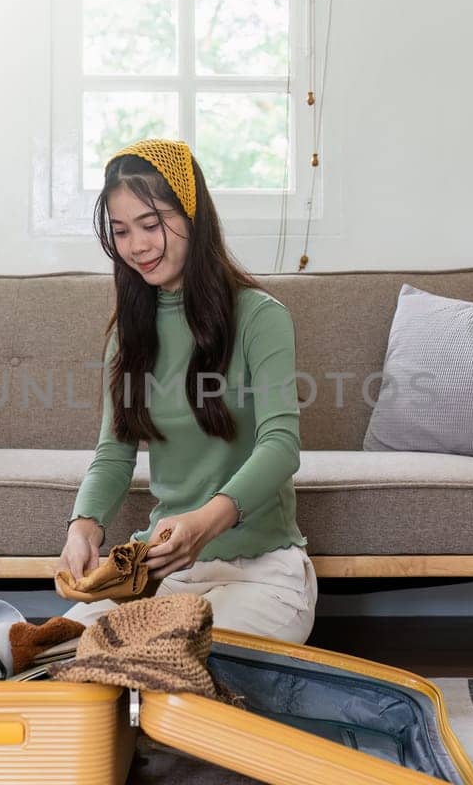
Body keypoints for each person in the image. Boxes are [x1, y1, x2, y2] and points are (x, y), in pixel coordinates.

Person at [57, 138, 316, 645]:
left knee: (184, 657)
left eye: (151, 225)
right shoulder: (128, 334)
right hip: (165, 575)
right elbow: (114, 453)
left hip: (261, 572)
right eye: (122, 231)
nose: (137, 246)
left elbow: (281, 446)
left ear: (192, 215)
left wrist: (203, 523)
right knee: (61, 652)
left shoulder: (260, 317)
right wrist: (84, 525)